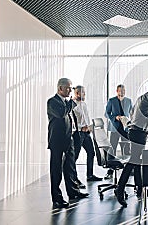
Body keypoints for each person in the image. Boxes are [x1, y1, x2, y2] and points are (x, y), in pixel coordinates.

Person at [47, 78, 89, 208]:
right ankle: (57, 198)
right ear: (60, 88)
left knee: (70, 167)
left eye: (71, 88)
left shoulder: (66, 102)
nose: (70, 90)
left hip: (68, 139)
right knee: (56, 170)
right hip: (57, 141)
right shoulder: (52, 101)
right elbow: (61, 114)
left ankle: (73, 192)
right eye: (68, 88)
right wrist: (71, 103)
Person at [72, 86, 103, 183]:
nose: (84, 94)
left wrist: (89, 127)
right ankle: (74, 179)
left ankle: (89, 175)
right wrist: (81, 128)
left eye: (84, 92)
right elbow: (72, 121)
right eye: (83, 93)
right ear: (77, 93)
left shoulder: (84, 104)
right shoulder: (73, 105)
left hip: (86, 133)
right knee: (74, 157)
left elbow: (86, 118)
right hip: (78, 133)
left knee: (91, 153)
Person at [104, 84, 133, 179]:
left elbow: (131, 113)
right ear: (117, 91)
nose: (122, 92)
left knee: (127, 149)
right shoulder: (112, 101)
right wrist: (115, 117)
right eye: (121, 90)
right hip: (114, 128)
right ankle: (110, 171)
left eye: (124, 90)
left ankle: (128, 170)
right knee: (112, 148)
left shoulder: (129, 101)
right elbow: (106, 114)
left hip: (125, 128)